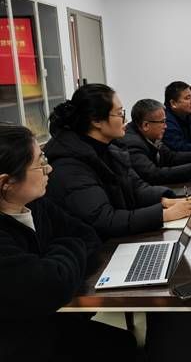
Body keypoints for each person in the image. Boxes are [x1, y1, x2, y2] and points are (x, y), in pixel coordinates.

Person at [0, 124, 137, 361]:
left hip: (50, 322)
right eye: (40, 163)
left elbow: (89, 237)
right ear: (6, 182)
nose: (49, 168)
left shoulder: (35, 204)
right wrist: (61, 261)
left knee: (124, 343)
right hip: (21, 344)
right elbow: (50, 285)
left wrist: (53, 264)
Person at [44, 84, 191, 240]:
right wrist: (164, 214)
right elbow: (104, 220)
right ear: (96, 120)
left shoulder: (110, 147)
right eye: (119, 113)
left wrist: (165, 201)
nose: (126, 120)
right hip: (98, 247)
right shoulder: (69, 165)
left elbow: (136, 188)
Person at [118, 98, 191, 185]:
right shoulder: (132, 143)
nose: (166, 126)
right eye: (162, 122)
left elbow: (170, 157)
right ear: (146, 125)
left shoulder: (150, 135)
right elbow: (153, 175)